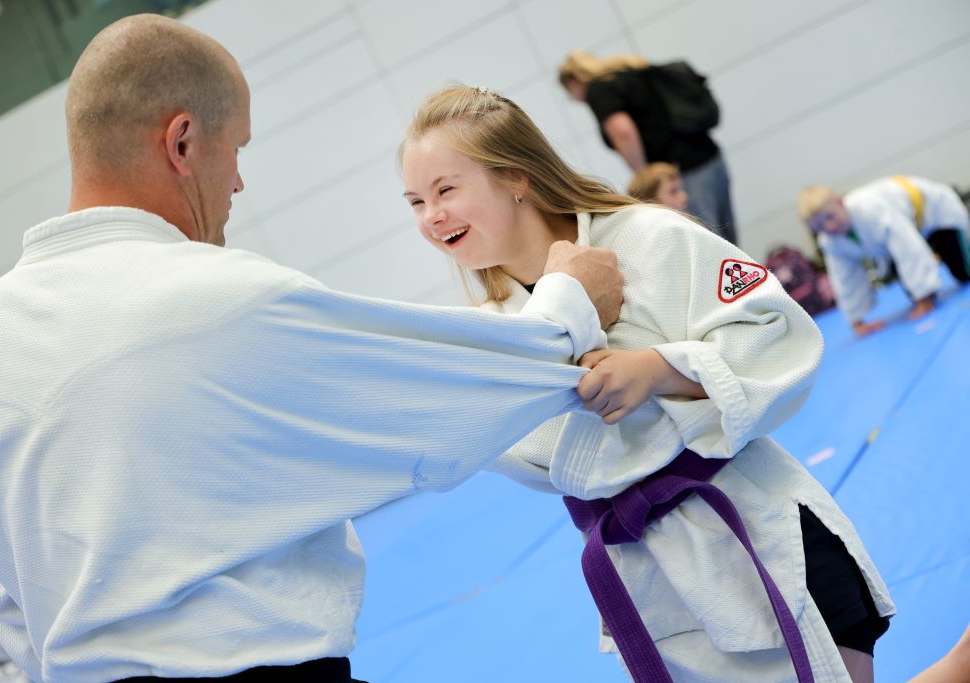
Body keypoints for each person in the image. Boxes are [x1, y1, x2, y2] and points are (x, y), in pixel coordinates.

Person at [0, 15, 628, 683]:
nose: (237, 183)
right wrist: (568, 306)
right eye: (235, 150)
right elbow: (444, 406)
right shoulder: (212, 297)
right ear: (182, 143)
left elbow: (0, 594)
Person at [399, 85, 894, 683]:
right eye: (415, 202)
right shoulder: (494, 331)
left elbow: (779, 336)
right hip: (656, 579)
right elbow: (506, 448)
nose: (431, 217)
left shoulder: (647, 237)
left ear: (515, 177)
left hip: (763, 539)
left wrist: (659, 369)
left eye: (446, 190)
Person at [558, 50, 738, 244]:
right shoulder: (631, 70)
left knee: (707, 241)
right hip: (710, 157)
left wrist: (643, 173)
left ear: (573, 82)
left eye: (570, 93)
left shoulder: (599, 88)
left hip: (683, 172)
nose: (574, 99)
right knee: (727, 240)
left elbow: (623, 132)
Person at [797, 176, 970, 337]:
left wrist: (923, 297)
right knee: (913, 291)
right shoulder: (829, 241)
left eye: (830, 217)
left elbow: (907, 248)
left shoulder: (870, 210)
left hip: (935, 213)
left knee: (964, 273)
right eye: (818, 226)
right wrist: (857, 321)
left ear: (841, 202)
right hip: (906, 227)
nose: (828, 227)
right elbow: (844, 277)